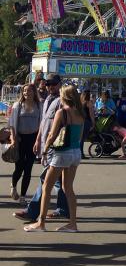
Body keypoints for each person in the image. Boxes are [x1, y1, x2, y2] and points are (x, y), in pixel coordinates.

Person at [24, 85, 84, 233]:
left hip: (62, 153)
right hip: (76, 152)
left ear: (64, 97)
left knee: (47, 187)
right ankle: (73, 224)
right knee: (68, 188)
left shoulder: (62, 112)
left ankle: (41, 223)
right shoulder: (80, 114)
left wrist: (44, 151)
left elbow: (52, 135)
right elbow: (81, 136)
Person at [8, 83, 42, 202]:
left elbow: (41, 123)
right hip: (20, 139)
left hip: (33, 139)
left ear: (34, 92)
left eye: (29, 91)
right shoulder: (18, 105)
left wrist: (39, 140)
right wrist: (13, 139)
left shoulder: (39, 105)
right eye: (25, 91)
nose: (26, 93)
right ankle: (13, 185)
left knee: (28, 169)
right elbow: (12, 124)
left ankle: (23, 196)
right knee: (19, 167)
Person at [80, 90, 95, 158]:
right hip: (87, 121)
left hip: (80, 121)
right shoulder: (89, 103)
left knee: (80, 138)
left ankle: (80, 153)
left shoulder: (80, 102)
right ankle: (81, 154)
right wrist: (93, 123)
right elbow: (91, 114)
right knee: (83, 138)